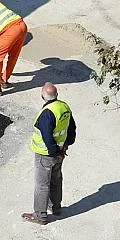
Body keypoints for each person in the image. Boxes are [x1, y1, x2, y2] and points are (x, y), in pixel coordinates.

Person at [22, 83, 76, 225]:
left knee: (42, 185)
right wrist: (64, 147)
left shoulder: (47, 113)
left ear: (42, 96)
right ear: (57, 95)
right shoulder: (64, 107)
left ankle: (40, 216)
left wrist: (54, 152)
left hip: (45, 155)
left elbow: (46, 136)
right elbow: (72, 129)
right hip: (60, 151)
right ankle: (55, 208)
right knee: (56, 180)